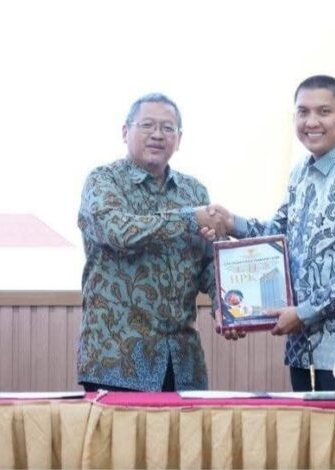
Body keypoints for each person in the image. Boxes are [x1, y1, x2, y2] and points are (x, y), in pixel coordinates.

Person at [202, 75, 335, 392]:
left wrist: (303, 313)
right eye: (303, 112)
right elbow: (280, 233)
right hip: (302, 346)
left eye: (324, 112)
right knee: (304, 426)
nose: (311, 121)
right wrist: (232, 223)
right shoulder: (301, 172)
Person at [77, 93, 226, 392]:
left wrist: (224, 305)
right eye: (147, 125)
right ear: (125, 131)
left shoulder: (194, 191)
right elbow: (119, 232)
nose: (158, 134)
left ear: (179, 138)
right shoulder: (103, 181)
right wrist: (189, 219)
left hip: (183, 363)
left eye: (168, 128)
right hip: (117, 360)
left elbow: (209, 262)